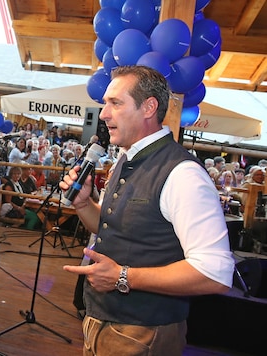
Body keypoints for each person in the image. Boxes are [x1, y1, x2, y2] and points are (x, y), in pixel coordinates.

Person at [60, 65, 234, 355]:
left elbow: (214, 273)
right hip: (101, 320)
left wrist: (122, 277)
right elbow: (109, 225)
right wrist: (83, 204)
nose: (103, 114)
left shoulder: (183, 174)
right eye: (105, 103)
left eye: (115, 103)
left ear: (149, 107)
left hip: (143, 332)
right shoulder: (124, 159)